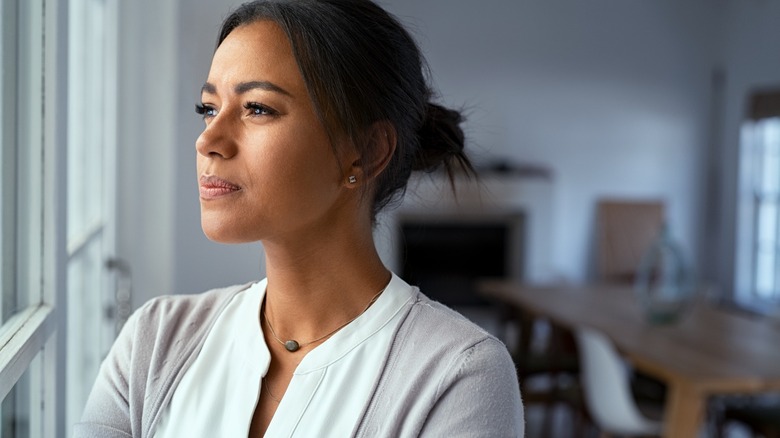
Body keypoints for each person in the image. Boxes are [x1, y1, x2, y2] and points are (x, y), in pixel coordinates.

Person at [74, 0, 524, 436]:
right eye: (209, 109)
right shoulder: (154, 342)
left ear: (366, 153)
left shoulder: (459, 377)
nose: (208, 139)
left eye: (258, 109)